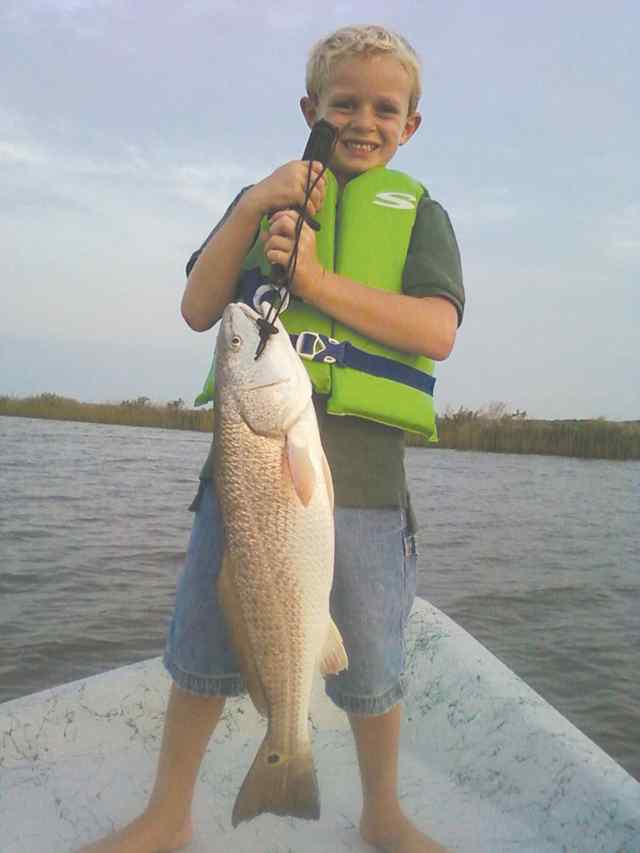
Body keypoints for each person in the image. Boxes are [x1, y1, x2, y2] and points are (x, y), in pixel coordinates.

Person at [81, 24, 464, 853]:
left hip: (360, 495)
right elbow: (199, 308)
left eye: (384, 107)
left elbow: (436, 331)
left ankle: (383, 811)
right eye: (343, 103)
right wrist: (259, 202)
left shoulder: (421, 218)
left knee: (369, 664)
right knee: (203, 646)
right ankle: (169, 813)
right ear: (310, 111)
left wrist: (318, 279)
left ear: (411, 125)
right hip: (243, 492)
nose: (363, 120)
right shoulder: (266, 206)